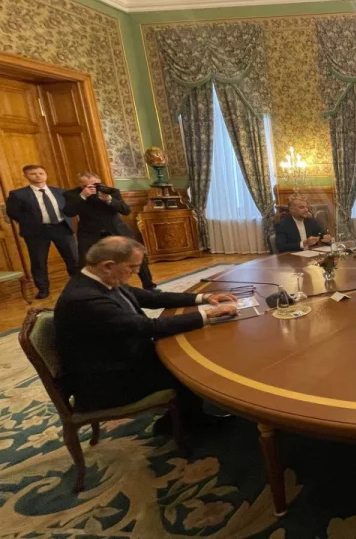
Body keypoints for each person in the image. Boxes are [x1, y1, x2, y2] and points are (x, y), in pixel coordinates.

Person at [54, 237, 238, 428]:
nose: (136, 272)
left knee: (191, 348)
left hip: (122, 357)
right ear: (108, 265)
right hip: (108, 381)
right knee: (190, 366)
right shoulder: (85, 299)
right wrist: (208, 315)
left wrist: (203, 298)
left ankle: (181, 416)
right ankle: (192, 424)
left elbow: (151, 298)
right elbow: (147, 326)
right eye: (132, 267)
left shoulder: (100, 280)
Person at [62, 171, 157, 290]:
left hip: (116, 230)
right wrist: (82, 196)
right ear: (80, 185)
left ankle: (149, 286)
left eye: (95, 184)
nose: (91, 188)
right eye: (86, 185)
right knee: (84, 262)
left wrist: (109, 200)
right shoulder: (71, 194)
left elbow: (126, 211)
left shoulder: (111, 191)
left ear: (100, 182)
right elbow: (69, 212)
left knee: (138, 255)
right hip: (89, 233)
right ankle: (86, 290)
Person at [5, 165, 79, 299]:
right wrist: (31, 221)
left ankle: (79, 284)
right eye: (33, 174)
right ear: (26, 176)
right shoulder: (18, 194)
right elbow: (13, 213)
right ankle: (43, 289)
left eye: (41, 173)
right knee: (38, 261)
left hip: (61, 227)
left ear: (45, 174)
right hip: (36, 231)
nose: (38, 176)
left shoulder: (60, 191)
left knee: (73, 258)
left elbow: (69, 208)